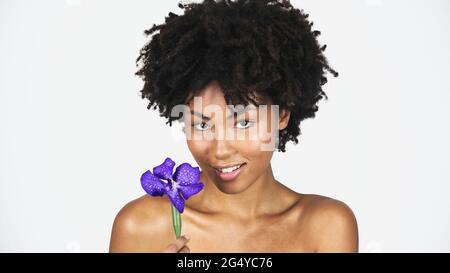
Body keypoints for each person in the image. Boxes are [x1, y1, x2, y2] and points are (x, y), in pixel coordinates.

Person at [109, 0, 358, 252]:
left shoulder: (325, 226)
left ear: (282, 115)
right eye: (202, 125)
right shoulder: (141, 226)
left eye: (243, 122)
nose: (220, 151)